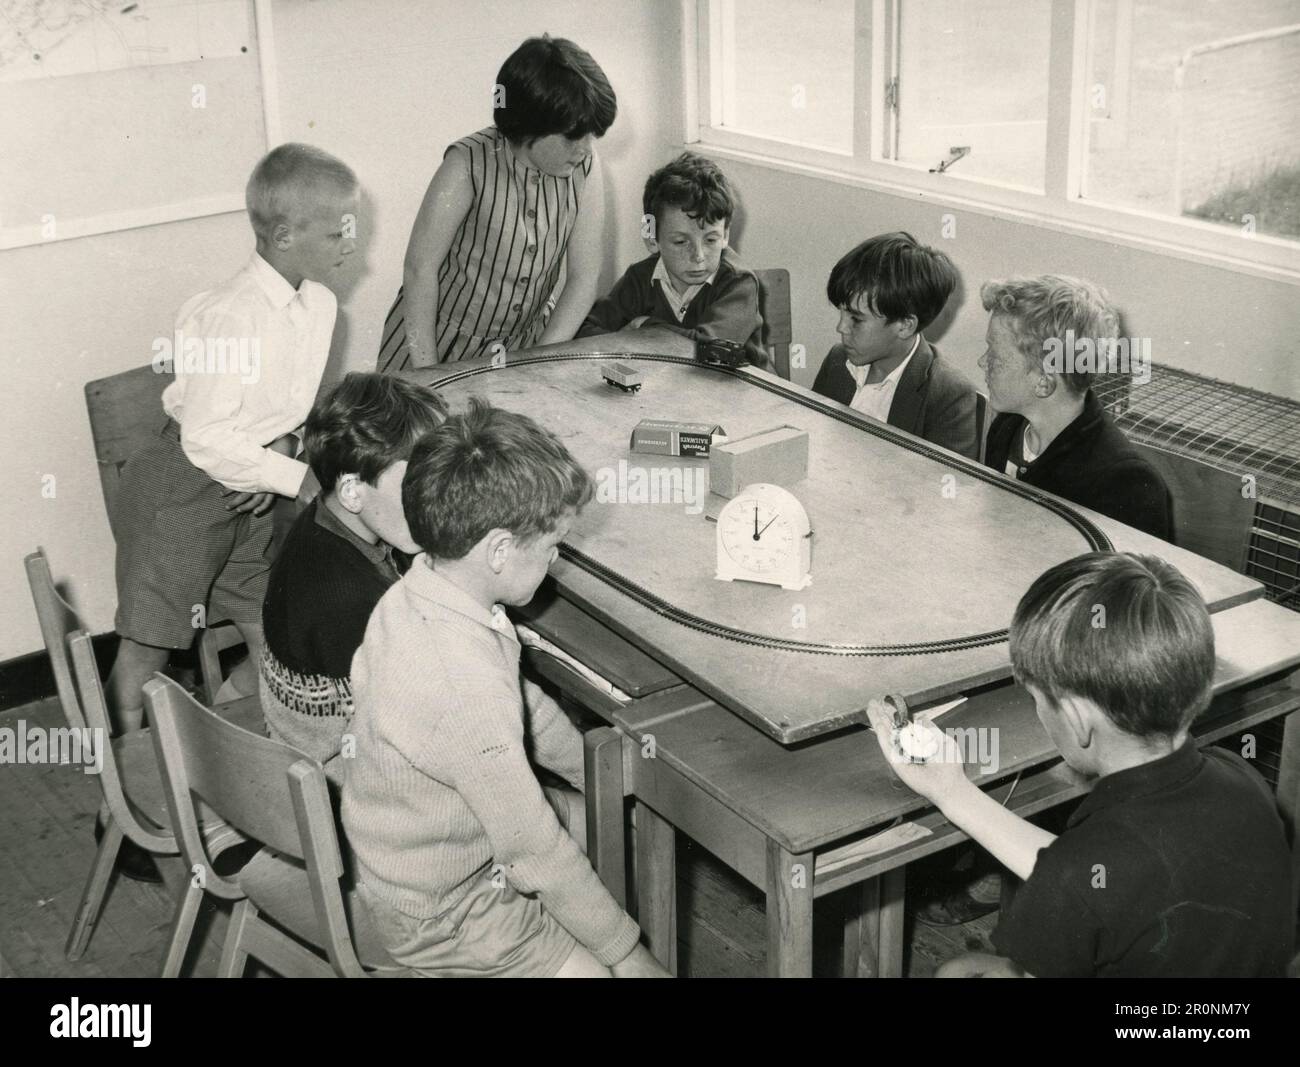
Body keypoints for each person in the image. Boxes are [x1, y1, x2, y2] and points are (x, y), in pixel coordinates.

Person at [342, 399, 668, 977]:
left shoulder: (422, 592)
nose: (555, 560)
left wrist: (604, 782)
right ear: (497, 549)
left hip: (411, 867)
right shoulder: (459, 685)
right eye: (550, 548)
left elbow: (524, 709)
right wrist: (625, 953)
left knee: (600, 834)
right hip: (446, 916)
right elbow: (532, 849)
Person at [867, 552, 1294, 977]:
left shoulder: (1082, 871)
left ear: (1075, 721)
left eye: (1036, 700)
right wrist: (951, 791)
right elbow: (1094, 878)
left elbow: (1080, 881)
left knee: (957, 972)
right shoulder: (1242, 781)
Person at [109, 143, 358, 735]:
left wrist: (289, 449)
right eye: (337, 231)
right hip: (180, 494)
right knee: (149, 646)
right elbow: (206, 437)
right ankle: (121, 767)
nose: (351, 243)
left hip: (243, 490)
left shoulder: (320, 306)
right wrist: (293, 477)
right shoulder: (231, 316)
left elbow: (288, 411)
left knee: (270, 624)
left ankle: (242, 745)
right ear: (282, 234)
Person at [377, 35, 616, 369]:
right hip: (433, 344)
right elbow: (420, 270)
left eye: (592, 136)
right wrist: (427, 374)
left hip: (524, 348)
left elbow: (584, 277)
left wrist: (537, 363)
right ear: (533, 124)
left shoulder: (586, 167)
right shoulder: (466, 164)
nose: (584, 148)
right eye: (573, 136)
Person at [258, 372, 446, 777]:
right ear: (352, 491)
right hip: (335, 780)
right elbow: (421, 718)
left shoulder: (320, 519)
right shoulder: (349, 597)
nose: (433, 503)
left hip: (300, 743)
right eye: (415, 486)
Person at [979, 275, 1173, 539]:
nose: (983, 362)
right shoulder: (1008, 427)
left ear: (1044, 381)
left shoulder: (1126, 484)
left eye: (995, 355)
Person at [576, 151, 764, 364]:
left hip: (743, 393)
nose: (699, 256)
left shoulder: (738, 282)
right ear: (652, 238)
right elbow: (585, 333)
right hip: (673, 392)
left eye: (711, 240)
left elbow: (710, 351)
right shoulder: (640, 278)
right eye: (681, 242)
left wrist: (645, 326)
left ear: (726, 235)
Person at [812, 232, 978, 458]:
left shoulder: (949, 395)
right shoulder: (837, 360)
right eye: (841, 312)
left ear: (905, 326)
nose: (841, 327)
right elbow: (814, 438)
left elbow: (944, 486)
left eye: (856, 319)